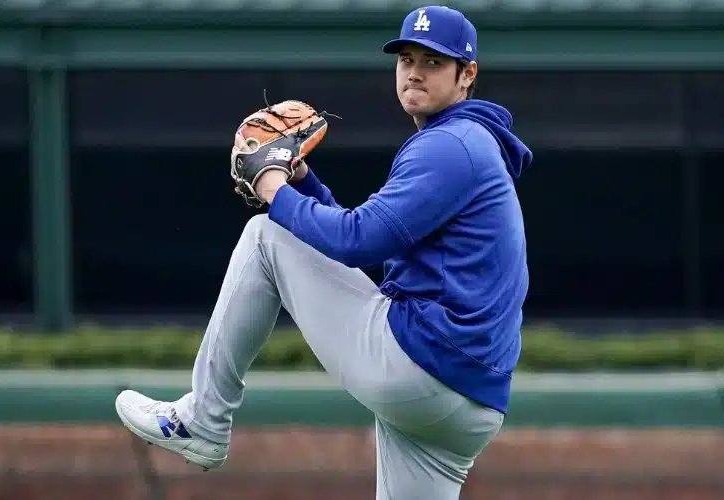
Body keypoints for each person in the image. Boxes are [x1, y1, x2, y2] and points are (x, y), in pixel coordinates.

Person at [114, 5, 533, 499]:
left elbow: (356, 240)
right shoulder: (469, 143)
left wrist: (273, 190)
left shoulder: (450, 146)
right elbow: (364, 246)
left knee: (264, 237)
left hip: (426, 364)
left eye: (434, 62)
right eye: (406, 59)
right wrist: (301, 182)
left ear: (467, 75)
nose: (415, 71)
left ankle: (203, 419)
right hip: (471, 402)